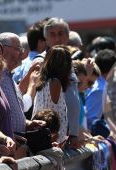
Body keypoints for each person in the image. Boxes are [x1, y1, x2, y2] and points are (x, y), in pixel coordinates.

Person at [34, 17, 81, 148]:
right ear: (46, 38)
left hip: (67, 136)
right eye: (52, 34)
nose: (57, 38)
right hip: (54, 138)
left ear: (67, 36)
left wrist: (76, 132)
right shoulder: (40, 62)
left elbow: (73, 100)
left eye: (60, 34)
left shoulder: (67, 61)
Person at [0, 32, 45, 133]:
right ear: (2, 49)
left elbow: (19, 107)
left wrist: (26, 123)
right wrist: (32, 82)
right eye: (18, 48)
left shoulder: (9, 76)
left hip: (16, 142)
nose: (22, 53)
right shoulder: (0, 77)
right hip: (8, 144)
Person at [32, 45, 70, 145]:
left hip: (45, 133)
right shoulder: (55, 82)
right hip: (53, 136)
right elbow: (54, 110)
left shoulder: (43, 81)